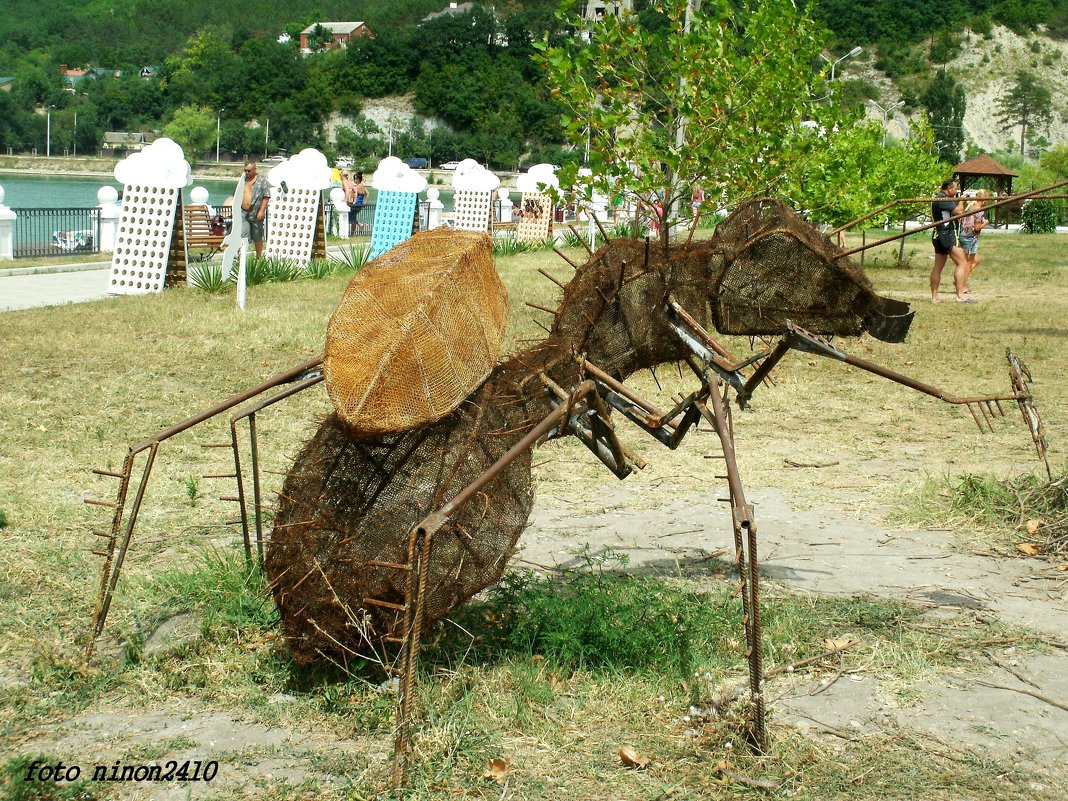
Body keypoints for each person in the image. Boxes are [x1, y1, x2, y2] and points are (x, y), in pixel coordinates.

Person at [928, 178, 971, 304]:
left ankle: (934, 297)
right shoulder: (943, 199)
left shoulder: (938, 198)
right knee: (962, 263)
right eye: (955, 188)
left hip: (938, 235)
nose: (956, 191)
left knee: (938, 267)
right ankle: (960, 295)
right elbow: (959, 211)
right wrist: (962, 200)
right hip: (947, 235)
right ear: (949, 189)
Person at [959, 189, 990, 293]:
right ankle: (962, 285)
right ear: (984, 200)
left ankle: (960, 280)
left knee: (975, 261)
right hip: (970, 238)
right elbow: (977, 228)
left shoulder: (971, 207)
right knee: (968, 263)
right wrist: (985, 223)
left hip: (964, 236)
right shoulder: (979, 211)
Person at [240, 161, 270, 258]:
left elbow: (266, 196)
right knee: (242, 234)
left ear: (254, 170)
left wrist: (261, 211)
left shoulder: (262, 181)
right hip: (243, 212)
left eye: (249, 170)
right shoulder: (243, 180)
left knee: (257, 236)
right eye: (245, 170)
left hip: (256, 212)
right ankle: (241, 256)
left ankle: (259, 257)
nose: (247, 172)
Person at [349, 171, 368, 236]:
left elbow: (354, 194)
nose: (355, 180)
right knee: (353, 217)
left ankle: (354, 231)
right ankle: (354, 231)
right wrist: (365, 202)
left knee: (351, 218)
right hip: (360, 204)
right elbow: (367, 194)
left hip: (356, 204)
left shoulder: (357, 187)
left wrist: (352, 201)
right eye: (354, 179)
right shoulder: (363, 186)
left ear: (359, 179)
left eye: (356, 179)